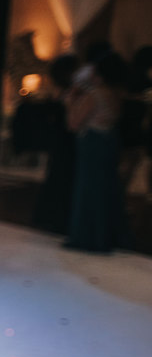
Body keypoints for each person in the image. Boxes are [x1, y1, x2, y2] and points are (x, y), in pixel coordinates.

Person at [65, 51, 128, 252]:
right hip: (108, 144)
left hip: (92, 145)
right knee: (104, 191)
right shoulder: (116, 95)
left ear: (99, 74)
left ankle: (86, 238)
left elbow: (74, 123)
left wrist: (71, 100)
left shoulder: (96, 94)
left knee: (88, 191)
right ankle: (103, 236)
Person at [33, 54, 80, 235]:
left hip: (61, 142)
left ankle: (52, 218)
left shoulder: (60, 93)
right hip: (66, 143)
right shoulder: (68, 94)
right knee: (63, 179)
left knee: (57, 177)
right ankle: (58, 219)